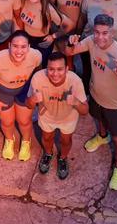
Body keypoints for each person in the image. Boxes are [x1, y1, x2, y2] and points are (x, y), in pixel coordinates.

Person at [66, 13, 117, 191]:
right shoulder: (91, 40)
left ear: (112, 33)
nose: (100, 37)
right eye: (97, 32)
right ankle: (101, 137)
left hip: (115, 105)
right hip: (96, 95)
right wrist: (71, 42)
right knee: (98, 120)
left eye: (105, 33)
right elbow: (69, 52)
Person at [27, 51, 89, 179]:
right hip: (47, 116)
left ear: (67, 69)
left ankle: (63, 158)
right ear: (46, 69)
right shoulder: (38, 78)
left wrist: (76, 102)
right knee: (47, 137)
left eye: (60, 69)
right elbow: (28, 105)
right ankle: (48, 154)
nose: (55, 74)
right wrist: (33, 100)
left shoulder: (75, 81)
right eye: (51, 69)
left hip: (68, 118)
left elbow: (85, 111)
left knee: (66, 141)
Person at [0, 30, 43, 161]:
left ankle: (26, 141)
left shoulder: (36, 56)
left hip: (24, 90)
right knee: (7, 121)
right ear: (9, 45)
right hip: (4, 92)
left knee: (24, 121)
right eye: (15, 46)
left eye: (23, 47)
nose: (19, 51)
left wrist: (36, 92)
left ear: (29, 47)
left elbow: (39, 72)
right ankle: (9, 139)